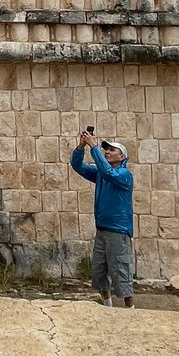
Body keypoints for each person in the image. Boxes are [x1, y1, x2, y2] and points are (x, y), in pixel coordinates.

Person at [71, 131, 135, 308]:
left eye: (111, 150)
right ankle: (107, 305)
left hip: (118, 230)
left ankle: (131, 309)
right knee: (99, 273)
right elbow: (77, 166)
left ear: (121, 156)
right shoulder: (101, 173)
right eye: (105, 149)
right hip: (102, 229)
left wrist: (94, 147)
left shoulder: (124, 175)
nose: (107, 151)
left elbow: (109, 174)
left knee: (121, 272)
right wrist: (81, 146)